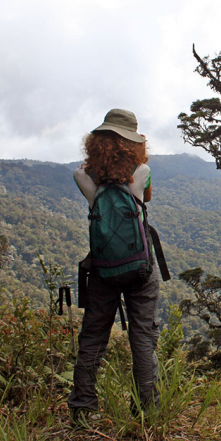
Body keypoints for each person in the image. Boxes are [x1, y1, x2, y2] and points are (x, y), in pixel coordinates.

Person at [68, 108, 160, 424]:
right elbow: (145, 199)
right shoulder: (143, 170)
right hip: (139, 267)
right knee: (142, 337)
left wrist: (92, 167)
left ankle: (82, 410)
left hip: (103, 269)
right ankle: (146, 412)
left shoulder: (83, 176)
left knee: (93, 336)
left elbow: (87, 184)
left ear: (98, 142)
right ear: (131, 142)